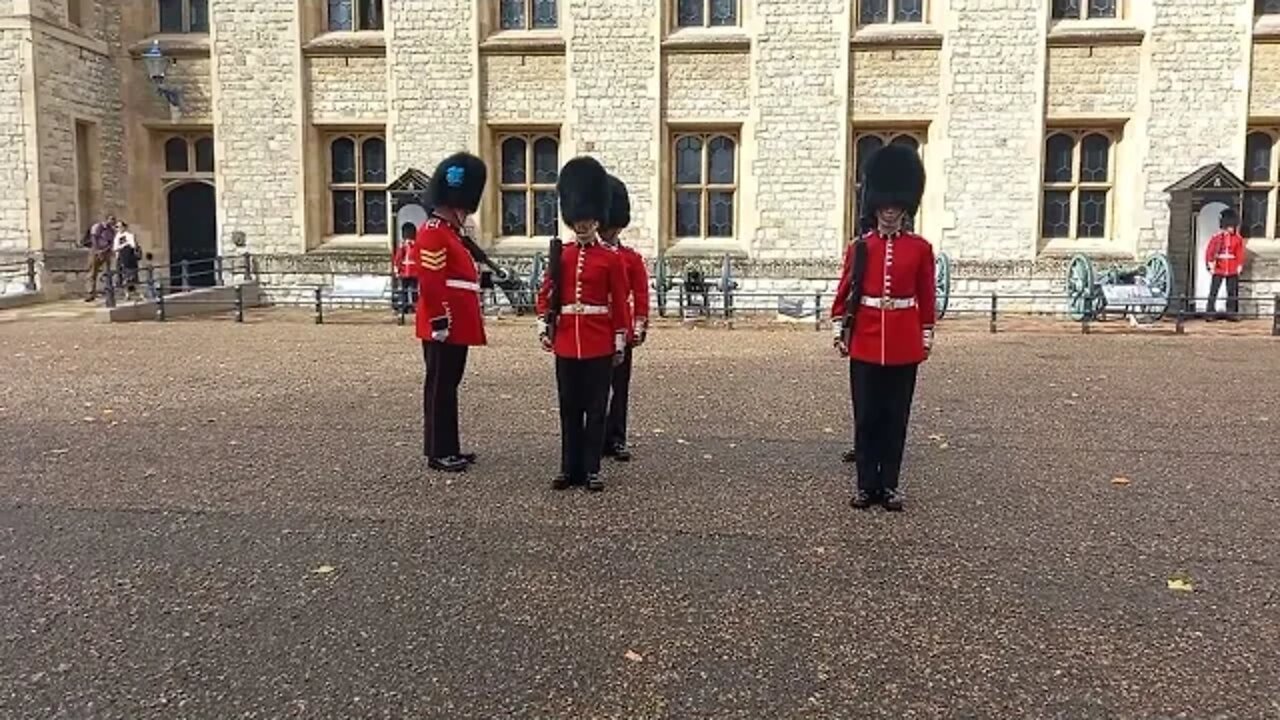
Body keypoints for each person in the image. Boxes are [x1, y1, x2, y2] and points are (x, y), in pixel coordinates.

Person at [831, 144, 935, 512]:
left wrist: (925, 332)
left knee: (896, 419)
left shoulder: (920, 249)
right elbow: (846, 289)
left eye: (895, 207)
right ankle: (865, 485)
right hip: (866, 338)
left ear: (905, 207)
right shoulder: (861, 247)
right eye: (884, 206)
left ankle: (889, 485)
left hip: (904, 340)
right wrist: (839, 328)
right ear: (875, 206)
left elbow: (925, 293)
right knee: (867, 417)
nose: (889, 213)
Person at [536, 157, 632, 492]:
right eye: (577, 218)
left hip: (598, 340)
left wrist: (621, 337)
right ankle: (568, 467)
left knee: (595, 409)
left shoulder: (610, 258)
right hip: (566, 338)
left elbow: (619, 301)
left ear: (597, 219)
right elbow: (548, 291)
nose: (583, 224)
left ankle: (591, 469)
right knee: (568, 408)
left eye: (588, 218)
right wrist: (543, 323)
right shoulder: (560, 255)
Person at [414, 152, 488, 473]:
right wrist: (439, 320)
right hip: (444, 325)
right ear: (456, 205)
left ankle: (449, 446)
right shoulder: (432, 231)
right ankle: (438, 451)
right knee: (440, 387)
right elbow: (432, 282)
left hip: (456, 324)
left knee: (448, 386)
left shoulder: (449, 233)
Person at [600, 175, 650, 462]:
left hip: (621, 328)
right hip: (592, 328)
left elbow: (640, 293)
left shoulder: (630, 258)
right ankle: (592, 436)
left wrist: (639, 323)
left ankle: (615, 438)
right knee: (592, 390)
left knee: (619, 386)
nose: (607, 232)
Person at [1205, 208, 1246, 322]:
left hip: (1232, 266)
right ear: (1225, 225)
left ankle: (1231, 312)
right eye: (1231, 226)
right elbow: (1210, 251)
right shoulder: (1217, 238)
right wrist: (1210, 263)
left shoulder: (1237, 239)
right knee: (1214, 290)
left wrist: (1239, 265)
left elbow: (1239, 253)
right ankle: (1210, 312)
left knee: (1232, 291)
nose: (1233, 228)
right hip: (1219, 266)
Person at [83, 214, 116, 302]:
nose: (113, 221)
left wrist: (106, 250)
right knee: (92, 272)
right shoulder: (97, 227)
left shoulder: (111, 230)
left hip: (106, 252)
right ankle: (90, 293)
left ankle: (108, 292)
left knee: (107, 272)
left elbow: (111, 242)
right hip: (95, 252)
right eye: (111, 219)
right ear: (107, 219)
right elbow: (93, 239)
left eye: (114, 220)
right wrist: (98, 251)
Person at [393, 221, 419, 314]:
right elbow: (399, 257)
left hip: (413, 272)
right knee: (403, 291)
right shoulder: (404, 246)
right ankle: (404, 307)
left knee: (414, 291)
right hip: (404, 272)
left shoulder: (415, 245)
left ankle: (415, 307)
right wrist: (397, 268)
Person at [113, 222, 142, 301]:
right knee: (122, 277)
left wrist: (124, 245)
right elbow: (115, 248)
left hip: (129, 259)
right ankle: (127, 294)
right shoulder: (117, 237)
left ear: (124, 227)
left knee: (131, 277)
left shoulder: (129, 235)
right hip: (120, 259)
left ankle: (137, 294)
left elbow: (133, 245)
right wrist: (124, 245)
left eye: (119, 226)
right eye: (116, 227)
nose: (117, 228)